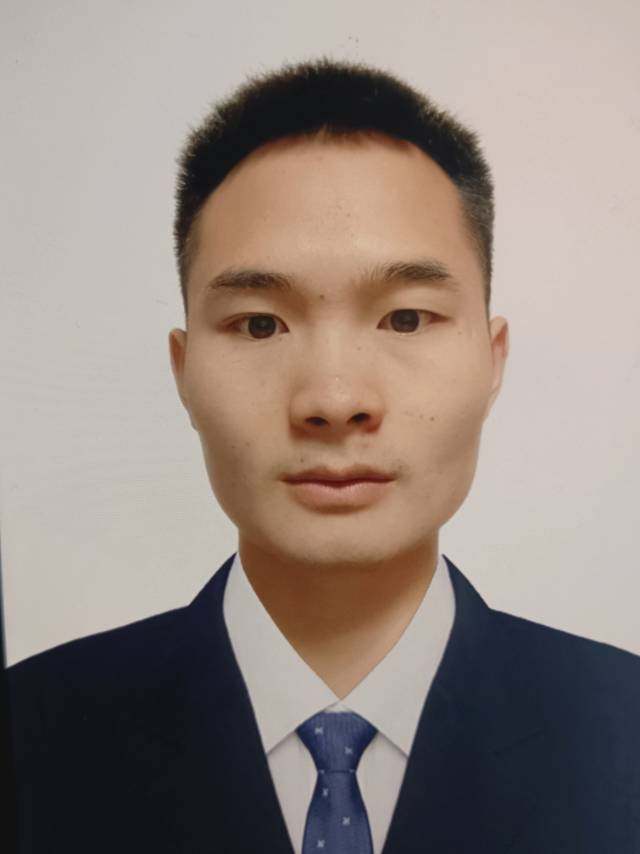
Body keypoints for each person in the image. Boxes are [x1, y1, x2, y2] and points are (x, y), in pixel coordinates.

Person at [6, 55, 640, 854]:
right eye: (260, 324)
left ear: (493, 359)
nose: (335, 399)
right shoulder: (28, 739)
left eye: (405, 318)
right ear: (184, 373)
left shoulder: (622, 732)